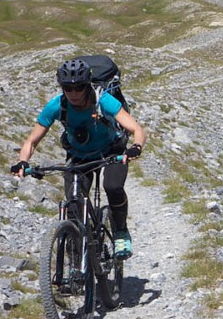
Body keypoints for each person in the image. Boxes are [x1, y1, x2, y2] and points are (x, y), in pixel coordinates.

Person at [10, 58, 147, 258]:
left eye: (79, 88)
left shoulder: (103, 101)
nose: (73, 93)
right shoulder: (57, 106)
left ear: (87, 85)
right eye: (67, 88)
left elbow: (136, 129)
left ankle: (120, 232)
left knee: (113, 187)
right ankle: (77, 264)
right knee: (73, 204)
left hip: (111, 152)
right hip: (80, 156)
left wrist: (135, 147)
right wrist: (23, 161)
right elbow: (31, 141)